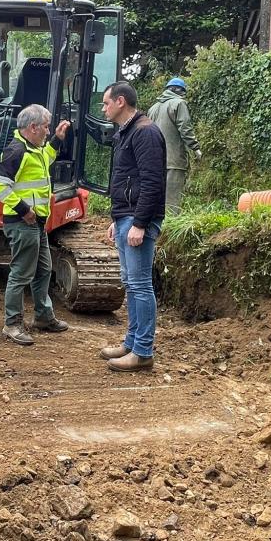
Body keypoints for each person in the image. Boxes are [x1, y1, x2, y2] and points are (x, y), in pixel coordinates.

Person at [98, 82, 167, 372]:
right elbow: (126, 179)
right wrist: (118, 220)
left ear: (120, 101)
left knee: (140, 285)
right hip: (126, 218)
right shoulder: (127, 132)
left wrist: (139, 223)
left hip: (138, 220)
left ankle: (142, 351)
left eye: (105, 103)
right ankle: (132, 341)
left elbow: (152, 183)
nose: (103, 108)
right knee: (131, 283)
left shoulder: (145, 132)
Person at [0, 104, 72, 346]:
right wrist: (24, 211)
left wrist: (57, 138)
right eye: (46, 127)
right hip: (22, 223)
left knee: (43, 270)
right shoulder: (17, 151)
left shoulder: (34, 149)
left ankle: (44, 317)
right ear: (33, 127)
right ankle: (12, 324)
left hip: (37, 224)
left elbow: (47, 157)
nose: (47, 131)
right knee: (21, 273)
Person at [148, 77, 201, 213]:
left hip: (154, 160)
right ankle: (169, 228)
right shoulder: (179, 104)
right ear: (181, 91)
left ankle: (154, 225)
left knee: (155, 197)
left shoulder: (153, 108)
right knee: (172, 200)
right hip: (173, 159)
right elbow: (185, 128)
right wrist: (195, 148)